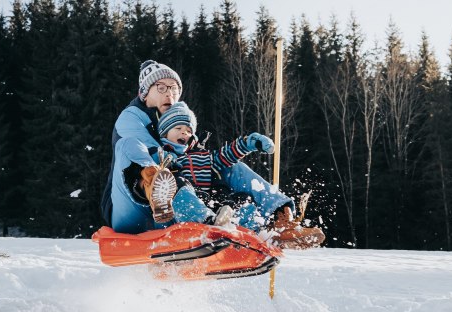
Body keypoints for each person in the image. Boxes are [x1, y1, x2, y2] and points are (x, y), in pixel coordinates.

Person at [100, 60, 324, 249]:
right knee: (131, 147)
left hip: (174, 210)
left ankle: (278, 221)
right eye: (161, 87)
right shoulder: (131, 117)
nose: (170, 93)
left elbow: (213, 159)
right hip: (132, 208)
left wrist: (244, 145)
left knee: (229, 168)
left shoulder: (184, 130)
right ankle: (163, 191)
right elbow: (155, 155)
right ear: (144, 93)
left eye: (174, 89)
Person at [156, 101, 325, 249]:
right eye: (178, 128)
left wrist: (247, 144)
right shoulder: (161, 155)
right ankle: (207, 223)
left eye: (188, 130)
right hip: (188, 208)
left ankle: (261, 233)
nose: (184, 133)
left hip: (212, 202)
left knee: (241, 199)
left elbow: (226, 155)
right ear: (164, 133)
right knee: (177, 185)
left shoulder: (204, 156)